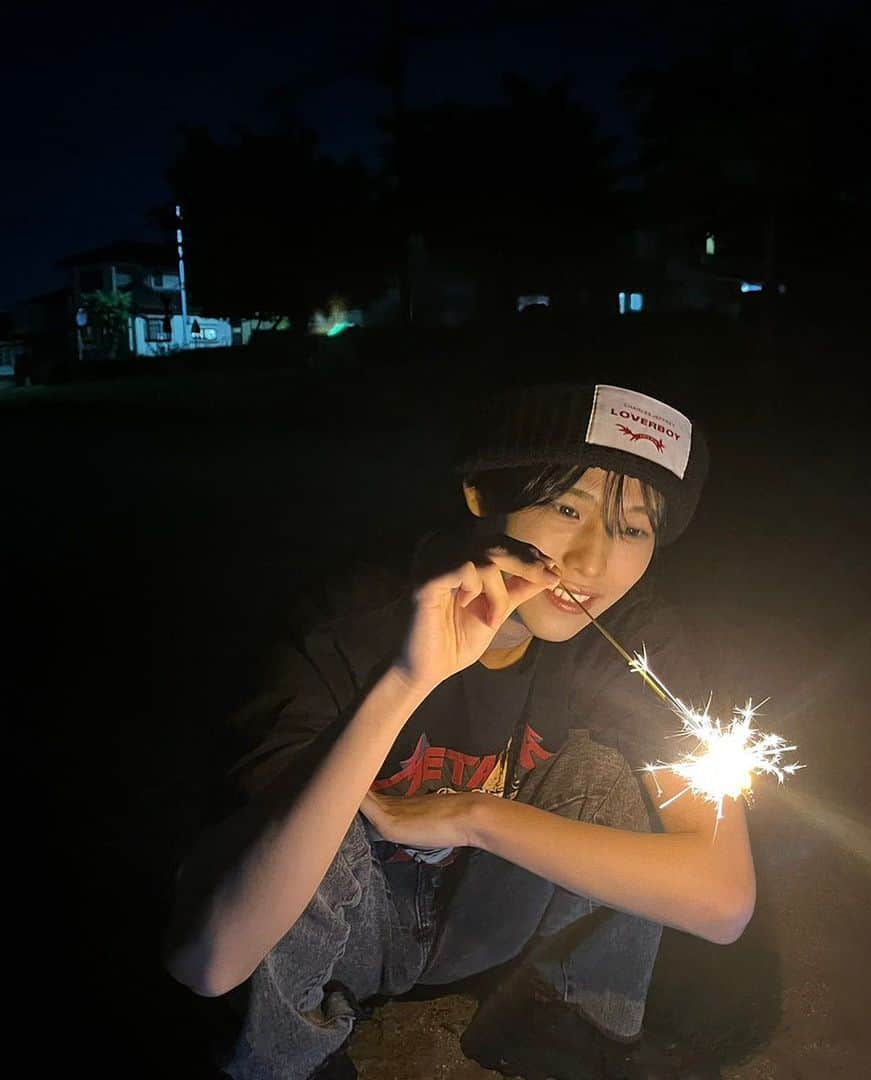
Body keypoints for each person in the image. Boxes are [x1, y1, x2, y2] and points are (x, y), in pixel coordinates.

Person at [161, 380, 757, 1079]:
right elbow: (210, 961)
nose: (595, 563)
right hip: (342, 939)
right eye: (568, 507)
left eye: (633, 528)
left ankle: (555, 1027)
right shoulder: (352, 622)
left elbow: (723, 901)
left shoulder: (627, 635)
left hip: (480, 926)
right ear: (481, 494)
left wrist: (476, 816)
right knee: (315, 815)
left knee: (608, 775)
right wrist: (409, 679)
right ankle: (295, 1055)